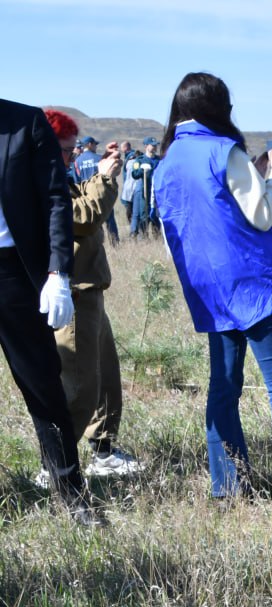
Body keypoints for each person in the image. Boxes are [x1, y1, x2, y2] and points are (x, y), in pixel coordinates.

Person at [153, 72, 272, 510]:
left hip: (209, 290)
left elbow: (176, 232)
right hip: (250, 287)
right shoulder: (224, 151)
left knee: (223, 386)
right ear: (218, 109)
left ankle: (227, 488)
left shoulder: (165, 163)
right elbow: (261, 215)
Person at [0, 99, 105, 526]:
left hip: (13, 273)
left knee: (43, 384)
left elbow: (56, 199)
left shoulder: (25, 123)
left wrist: (58, 271)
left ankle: (71, 493)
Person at [43, 110, 143, 486]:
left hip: (89, 289)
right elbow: (81, 218)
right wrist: (103, 177)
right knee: (80, 385)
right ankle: (55, 462)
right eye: (68, 152)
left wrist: (103, 172)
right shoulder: (35, 184)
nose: (72, 158)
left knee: (104, 380)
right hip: (72, 293)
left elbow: (82, 200)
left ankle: (102, 451)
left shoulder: (57, 176)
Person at [129, 136, 161, 238]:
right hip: (145, 191)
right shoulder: (140, 160)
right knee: (144, 214)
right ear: (146, 146)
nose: (155, 147)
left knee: (156, 214)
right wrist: (142, 171)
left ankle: (157, 236)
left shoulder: (159, 160)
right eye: (153, 145)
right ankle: (144, 237)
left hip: (157, 191)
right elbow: (134, 174)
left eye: (156, 145)